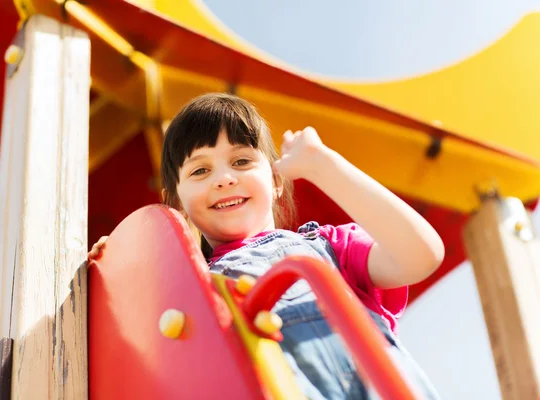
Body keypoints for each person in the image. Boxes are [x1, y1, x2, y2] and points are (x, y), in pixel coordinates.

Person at [88, 93, 444, 399]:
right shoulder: (194, 292)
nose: (225, 178)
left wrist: (323, 166)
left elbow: (420, 254)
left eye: (241, 161)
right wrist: (127, 271)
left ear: (275, 181)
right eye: (200, 171)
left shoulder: (329, 248)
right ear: (177, 205)